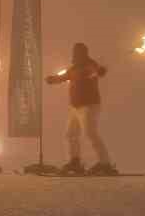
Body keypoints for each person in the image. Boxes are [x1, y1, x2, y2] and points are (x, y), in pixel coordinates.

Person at [45, 42, 117, 175]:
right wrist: (53, 79)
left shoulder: (90, 64)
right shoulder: (73, 68)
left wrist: (101, 71)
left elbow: (97, 71)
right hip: (75, 107)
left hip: (89, 105)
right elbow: (64, 77)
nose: (76, 54)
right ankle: (75, 161)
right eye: (75, 52)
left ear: (84, 53)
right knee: (70, 134)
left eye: (79, 52)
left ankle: (105, 163)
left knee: (90, 133)